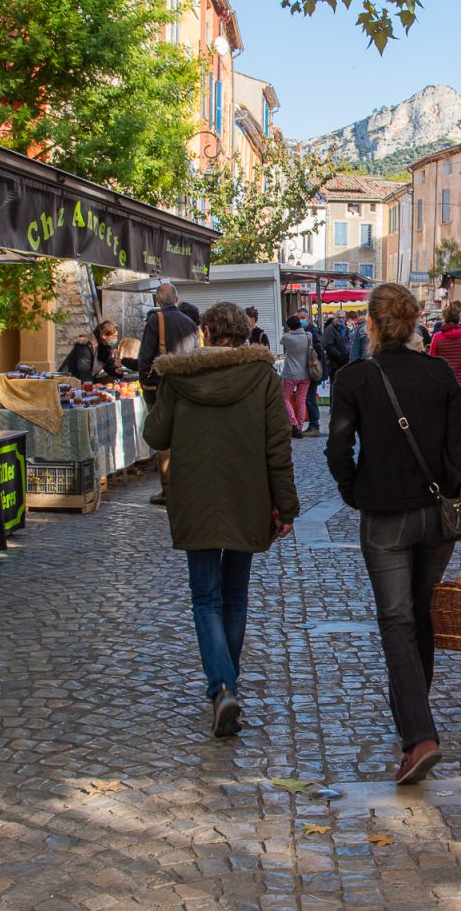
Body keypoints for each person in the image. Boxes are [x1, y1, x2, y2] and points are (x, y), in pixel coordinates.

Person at [326, 283, 461, 785]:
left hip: (385, 518)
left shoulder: (353, 378)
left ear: (372, 326)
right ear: (416, 322)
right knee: (418, 616)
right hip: (437, 515)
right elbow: (460, 454)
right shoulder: (440, 373)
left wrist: (355, 490)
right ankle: (416, 722)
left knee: (398, 622)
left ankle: (419, 736)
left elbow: (337, 452)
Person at [143, 302, 299, 738]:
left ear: (207, 332)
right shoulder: (263, 377)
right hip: (247, 496)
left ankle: (222, 687)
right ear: (244, 332)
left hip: (195, 496)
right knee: (234, 597)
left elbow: (154, 435)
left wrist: (164, 394)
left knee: (205, 598)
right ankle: (226, 686)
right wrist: (286, 507)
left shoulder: (180, 375)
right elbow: (277, 447)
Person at [138, 283, 201, 505]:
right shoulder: (192, 324)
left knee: (163, 438)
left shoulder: (156, 320)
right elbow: (197, 357)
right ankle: (187, 485)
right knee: (183, 436)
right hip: (186, 386)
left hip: (160, 386)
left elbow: (145, 355)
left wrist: (144, 381)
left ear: (158, 301)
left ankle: (168, 489)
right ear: (176, 298)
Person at [429, 305, 461, 423]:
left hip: (443, 382)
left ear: (444, 319)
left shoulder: (437, 337)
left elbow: (431, 359)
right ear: (458, 320)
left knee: (444, 414)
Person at [59, 321, 133, 383]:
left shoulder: (105, 348)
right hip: (68, 381)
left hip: (83, 383)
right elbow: (83, 371)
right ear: (104, 335)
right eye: (114, 336)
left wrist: (117, 371)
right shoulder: (86, 345)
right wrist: (92, 388)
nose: (116, 339)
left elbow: (109, 366)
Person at [279, 316, 314, 438]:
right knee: (301, 400)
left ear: (289, 326)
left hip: (290, 374)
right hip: (305, 374)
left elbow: (280, 342)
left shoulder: (287, 338)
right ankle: (300, 426)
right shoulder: (308, 336)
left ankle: (293, 424)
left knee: (285, 398)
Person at [296, 307, 326, 435]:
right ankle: (314, 425)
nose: (300, 320)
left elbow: (319, 348)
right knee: (309, 397)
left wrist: (313, 359)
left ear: (308, 318)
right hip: (310, 370)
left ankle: (315, 426)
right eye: (299, 318)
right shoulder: (305, 330)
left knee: (310, 398)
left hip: (313, 370)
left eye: (303, 318)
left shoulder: (312, 331)